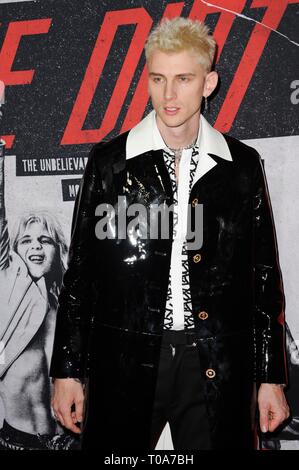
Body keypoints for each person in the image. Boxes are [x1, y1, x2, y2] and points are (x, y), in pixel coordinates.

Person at [50, 17, 289, 450]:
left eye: (183, 79)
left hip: (215, 358)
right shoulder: (110, 163)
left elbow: (263, 277)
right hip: (125, 358)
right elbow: (80, 274)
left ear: (209, 82)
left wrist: (269, 376)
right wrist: (66, 369)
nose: (169, 94)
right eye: (158, 78)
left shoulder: (241, 167)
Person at [0, 147, 75, 449]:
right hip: (17, 440)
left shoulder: (72, 307)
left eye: (45, 240)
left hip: (70, 440)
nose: (36, 247)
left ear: (57, 249)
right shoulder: (8, 296)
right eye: (26, 241)